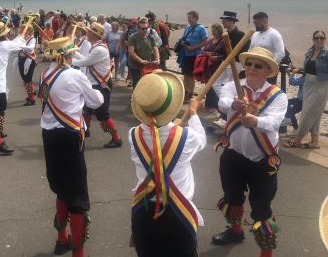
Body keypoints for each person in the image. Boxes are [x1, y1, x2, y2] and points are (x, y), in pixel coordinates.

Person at [212, 47, 287, 257]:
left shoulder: (277, 96)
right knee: (232, 198)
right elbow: (222, 102)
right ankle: (236, 231)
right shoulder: (233, 87)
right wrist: (234, 104)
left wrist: (256, 121)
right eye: (249, 64)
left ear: (267, 71)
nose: (252, 68)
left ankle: (266, 254)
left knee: (262, 209)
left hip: (263, 161)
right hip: (233, 156)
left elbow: (274, 122)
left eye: (258, 65)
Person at [129, 72, 206, 257]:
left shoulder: (133, 135)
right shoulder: (187, 137)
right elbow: (201, 138)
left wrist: (175, 125)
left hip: (143, 213)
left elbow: (158, 135)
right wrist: (194, 113)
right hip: (177, 216)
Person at [39, 37, 104, 257]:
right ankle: (78, 254)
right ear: (67, 55)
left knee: (60, 187)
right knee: (76, 194)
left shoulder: (45, 75)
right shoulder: (74, 75)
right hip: (69, 136)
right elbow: (96, 101)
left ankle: (61, 240)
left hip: (48, 135)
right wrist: (98, 91)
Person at [72, 22, 122, 148]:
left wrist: (65, 58)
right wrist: (72, 50)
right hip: (95, 84)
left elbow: (83, 62)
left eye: (89, 32)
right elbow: (85, 58)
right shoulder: (96, 46)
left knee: (102, 114)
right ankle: (85, 131)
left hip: (101, 85)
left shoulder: (99, 49)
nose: (86, 33)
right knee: (86, 109)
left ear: (94, 35)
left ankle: (116, 139)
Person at [0, 22, 29, 154]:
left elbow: (15, 42)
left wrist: (17, 38)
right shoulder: (5, 45)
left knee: (2, 105)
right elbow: (20, 44)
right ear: (4, 34)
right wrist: (21, 36)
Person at [284, 30, 328, 149]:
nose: (319, 40)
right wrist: (296, 69)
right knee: (316, 114)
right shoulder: (310, 52)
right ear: (313, 39)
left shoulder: (327, 53)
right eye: (317, 38)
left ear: (324, 39)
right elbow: (307, 67)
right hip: (308, 86)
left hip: (321, 87)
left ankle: (297, 140)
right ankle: (315, 141)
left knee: (307, 113)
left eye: (322, 38)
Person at [177, 11, 208, 103]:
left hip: (195, 55)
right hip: (186, 54)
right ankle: (185, 92)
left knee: (191, 75)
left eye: (190, 18)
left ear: (195, 18)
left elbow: (205, 41)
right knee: (185, 74)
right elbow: (184, 38)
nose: (188, 20)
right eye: (188, 18)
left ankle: (190, 94)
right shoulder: (187, 27)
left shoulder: (201, 28)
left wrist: (193, 48)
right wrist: (183, 43)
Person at [250, 12, 285, 84]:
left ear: (265, 21)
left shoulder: (274, 34)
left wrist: (270, 66)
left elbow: (280, 53)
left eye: (257, 23)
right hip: (254, 68)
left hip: (268, 70)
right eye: (254, 23)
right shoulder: (255, 34)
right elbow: (250, 50)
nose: (255, 25)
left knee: (268, 92)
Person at [127, 17, 160, 89]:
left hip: (146, 64)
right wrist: (140, 61)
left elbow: (155, 49)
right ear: (138, 28)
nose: (145, 30)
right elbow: (131, 52)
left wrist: (157, 59)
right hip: (134, 64)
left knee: (146, 82)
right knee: (137, 82)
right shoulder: (133, 37)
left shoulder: (151, 37)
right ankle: (135, 98)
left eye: (146, 28)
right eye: (142, 29)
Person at [18, 24, 38, 106]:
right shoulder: (22, 38)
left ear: (29, 30)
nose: (23, 30)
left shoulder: (32, 39)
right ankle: (31, 94)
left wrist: (20, 46)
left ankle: (31, 98)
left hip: (29, 60)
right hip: (22, 60)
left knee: (28, 80)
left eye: (25, 29)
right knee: (24, 80)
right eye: (22, 29)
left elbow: (31, 48)